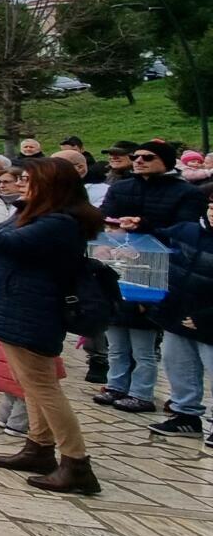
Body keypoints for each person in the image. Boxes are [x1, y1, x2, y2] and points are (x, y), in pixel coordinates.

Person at [0, 158, 105, 491]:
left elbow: (0, 243)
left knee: (43, 386)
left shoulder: (59, 223)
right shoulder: (35, 215)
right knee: (31, 384)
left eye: (28, 180)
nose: (20, 184)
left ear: (50, 186)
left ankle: (76, 463)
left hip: (33, 312)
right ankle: (39, 447)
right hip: (17, 310)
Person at [101, 140, 209, 419]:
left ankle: (142, 392)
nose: (139, 161)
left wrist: (144, 229)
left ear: (166, 161)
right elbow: (105, 218)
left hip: (163, 269)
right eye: (136, 156)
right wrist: (112, 233)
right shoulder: (121, 187)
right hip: (117, 262)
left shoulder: (186, 193)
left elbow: (182, 232)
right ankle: (116, 384)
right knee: (115, 331)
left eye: (147, 157)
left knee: (144, 336)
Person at [149, 206, 213, 445]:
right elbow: (155, 242)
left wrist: (205, 318)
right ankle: (186, 416)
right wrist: (136, 227)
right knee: (178, 364)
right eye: (212, 207)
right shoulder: (187, 230)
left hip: (207, 320)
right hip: (177, 314)